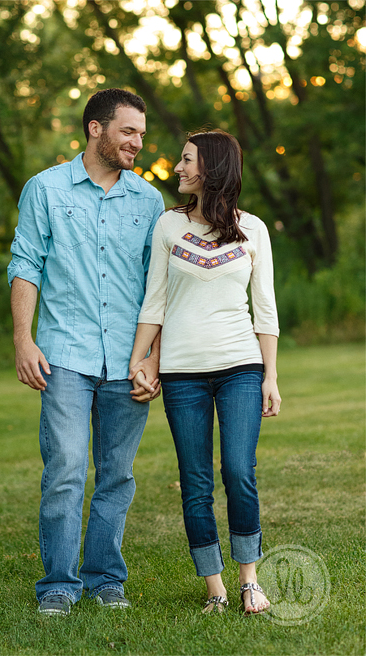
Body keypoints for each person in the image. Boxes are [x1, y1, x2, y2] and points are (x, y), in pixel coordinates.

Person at [8, 88, 165, 616]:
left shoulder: (148, 201)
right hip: (65, 354)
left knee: (117, 473)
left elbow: (156, 287)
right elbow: (26, 263)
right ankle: (58, 582)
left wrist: (153, 358)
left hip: (129, 356)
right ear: (95, 129)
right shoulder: (45, 190)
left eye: (141, 134)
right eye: (128, 131)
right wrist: (23, 339)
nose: (137, 143)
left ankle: (105, 580)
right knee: (68, 467)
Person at [129, 129, 279, 615]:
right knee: (194, 480)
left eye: (187, 160)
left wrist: (270, 377)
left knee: (238, 471)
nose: (177, 167)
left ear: (211, 169)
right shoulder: (168, 227)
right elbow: (155, 300)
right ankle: (215, 588)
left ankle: (249, 580)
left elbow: (266, 310)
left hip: (240, 367)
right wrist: (141, 358)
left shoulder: (253, 229)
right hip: (181, 373)